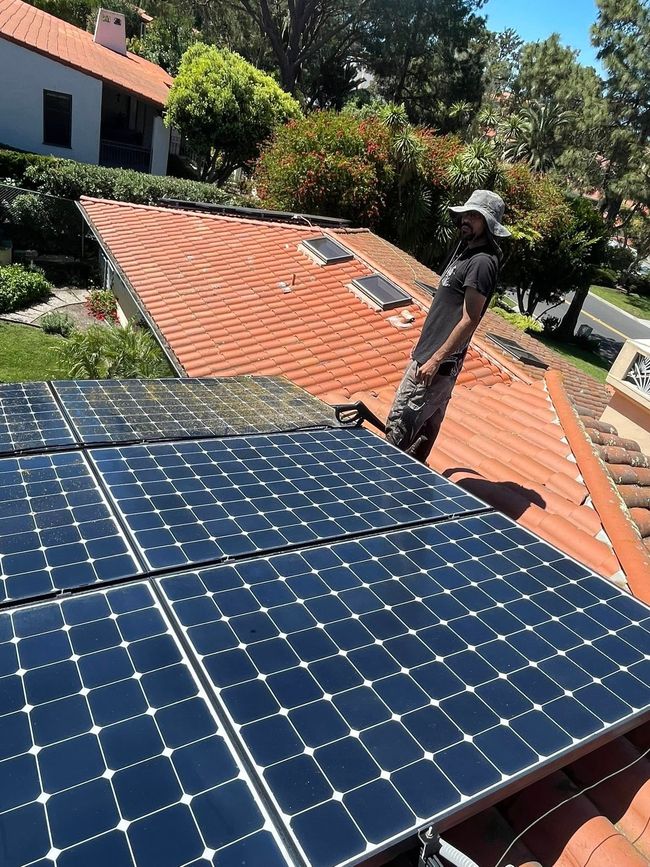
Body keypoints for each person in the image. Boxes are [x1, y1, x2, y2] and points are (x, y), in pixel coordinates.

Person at [385, 189, 510, 463]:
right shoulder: (467, 252)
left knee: (399, 428)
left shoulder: (482, 262)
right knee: (423, 435)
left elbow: (470, 319)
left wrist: (436, 359)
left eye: (475, 216)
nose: (467, 219)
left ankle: (382, 483)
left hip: (435, 367)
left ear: (489, 225)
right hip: (429, 359)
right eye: (466, 214)